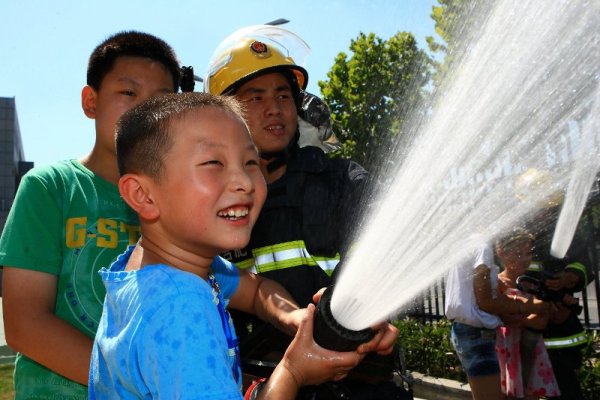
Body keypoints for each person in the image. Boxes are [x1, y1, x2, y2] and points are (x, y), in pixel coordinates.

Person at [89, 92, 393, 399]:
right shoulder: (181, 308)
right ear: (143, 195)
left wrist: (301, 320)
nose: (245, 182)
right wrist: (294, 371)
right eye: (213, 163)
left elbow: (257, 291)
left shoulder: (157, 270)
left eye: (250, 161)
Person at [204, 25, 404, 398]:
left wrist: (364, 304)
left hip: (361, 385)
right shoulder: (206, 203)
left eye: (283, 95)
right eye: (256, 97)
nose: (275, 108)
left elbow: (390, 230)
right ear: (222, 116)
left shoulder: (339, 178)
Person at [0, 31, 187, 399]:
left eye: (160, 102)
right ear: (91, 101)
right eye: (128, 93)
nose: (143, 113)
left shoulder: (181, 201)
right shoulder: (50, 187)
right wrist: (134, 383)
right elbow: (24, 325)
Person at [515, 168, 594, 400]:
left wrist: (571, 277)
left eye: (547, 205)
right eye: (538, 206)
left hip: (560, 328)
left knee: (564, 387)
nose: (542, 212)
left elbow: (585, 263)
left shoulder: (566, 229)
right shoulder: (517, 234)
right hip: (527, 322)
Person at [445, 235, 547, 400]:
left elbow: (477, 294)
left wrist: (514, 299)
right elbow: (485, 302)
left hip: (468, 333)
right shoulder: (482, 248)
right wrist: (529, 306)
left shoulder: (466, 244)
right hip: (477, 335)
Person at [495, 227, 559, 399]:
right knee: (510, 392)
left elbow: (550, 313)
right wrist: (530, 320)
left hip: (532, 346)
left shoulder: (532, 283)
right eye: (517, 253)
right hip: (509, 347)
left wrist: (547, 311)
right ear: (501, 253)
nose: (525, 259)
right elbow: (500, 317)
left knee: (531, 391)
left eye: (528, 253)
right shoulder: (498, 283)